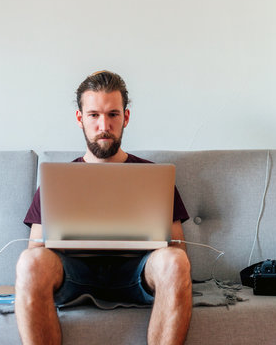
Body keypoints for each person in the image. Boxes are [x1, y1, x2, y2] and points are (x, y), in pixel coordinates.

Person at [15, 71, 192, 345]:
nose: (104, 125)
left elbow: (178, 249)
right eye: (94, 115)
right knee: (29, 262)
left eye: (113, 114)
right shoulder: (57, 179)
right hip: (73, 274)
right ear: (80, 119)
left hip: (138, 273)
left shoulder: (154, 176)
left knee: (175, 261)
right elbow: (35, 249)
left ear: (126, 118)